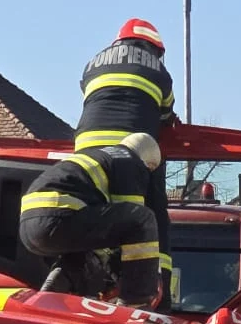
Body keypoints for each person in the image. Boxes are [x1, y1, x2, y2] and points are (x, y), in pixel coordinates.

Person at [74, 19, 175, 307]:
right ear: (154, 48)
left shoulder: (92, 64)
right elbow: (166, 114)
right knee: (152, 213)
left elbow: (94, 100)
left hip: (85, 149)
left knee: (94, 211)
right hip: (131, 149)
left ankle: (91, 280)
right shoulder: (159, 71)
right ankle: (157, 287)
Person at [17, 132, 163, 306]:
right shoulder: (130, 161)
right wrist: (139, 278)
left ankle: (51, 294)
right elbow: (133, 227)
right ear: (149, 163)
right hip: (59, 215)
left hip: (30, 227)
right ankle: (136, 303)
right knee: (143, 218)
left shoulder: (100, 156)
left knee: (87, 250)